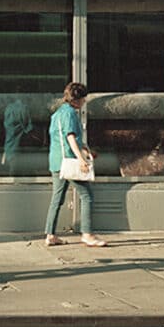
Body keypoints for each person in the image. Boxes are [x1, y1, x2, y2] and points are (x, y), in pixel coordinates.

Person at [44, 81, 107, 248]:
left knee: (56, 199)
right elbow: (70, 137)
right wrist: (81, 159)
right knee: (87, 196)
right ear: (76, 99)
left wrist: (87, 149)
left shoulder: (57, 114)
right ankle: (87, 234)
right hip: (70, 162)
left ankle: (50, 235)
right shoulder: (70, 114)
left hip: (57, 162)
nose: (84, 102)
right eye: (83, 99)